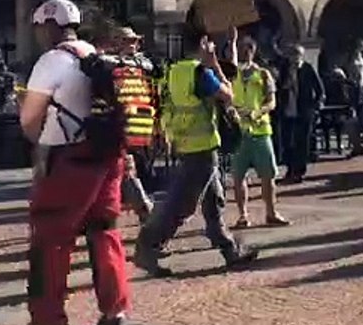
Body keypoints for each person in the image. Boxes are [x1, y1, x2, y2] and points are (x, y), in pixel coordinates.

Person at [14, 0, 130, 325]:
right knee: (104, 233)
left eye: (38, 28)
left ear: (48, 26)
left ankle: (47, 324)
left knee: (50, 240)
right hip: (109, 157)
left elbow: (30, 120)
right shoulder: (96, 55)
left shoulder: (52, 60)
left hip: (70, 158)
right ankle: (114, 314)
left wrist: (39, 147)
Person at [135, 26, 258, 277]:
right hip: (201, 146)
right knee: (183, 204)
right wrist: (214, 63)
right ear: (204, 43)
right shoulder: (199, 71)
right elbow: (228, 95)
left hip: (184, 142)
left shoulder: (172, 71)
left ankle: (229, 249)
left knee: (214, 201)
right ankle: (148, 247)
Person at [98, 26, 157, 225]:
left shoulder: (143, 64)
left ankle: (147, 215)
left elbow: (150, 69)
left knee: (137, 172)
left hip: (144, 127)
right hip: (123, 126)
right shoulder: (109, 65)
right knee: (128, 171)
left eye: (134, 41)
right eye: (127, 41)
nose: (132, 45)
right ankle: (147, 215)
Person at [232, 36, 290, 228]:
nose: (245, 52)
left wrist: (258, 112)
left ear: (253, 51)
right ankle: (242, 215)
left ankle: (271, 212)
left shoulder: (263, 74)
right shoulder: (232, 74)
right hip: (239, 131)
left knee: (268, 175)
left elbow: (272, 102)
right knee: (238, 176)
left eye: (248, 49)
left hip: (260, 129)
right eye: (241, 49)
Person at [276, 45, 323, 184]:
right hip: (289, 110)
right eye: (292, 55)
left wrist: (315, 105)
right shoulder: (285, 70)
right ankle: (290, 170)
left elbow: (319, 88)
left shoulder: (307, 69)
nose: (294, 58)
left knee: (302, 142)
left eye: (297, 55)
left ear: (301, 56)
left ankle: (300, 171)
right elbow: (279, 86)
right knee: (288, 142)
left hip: (304, 110)